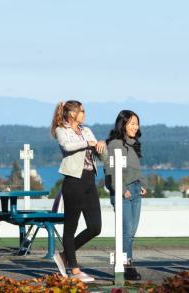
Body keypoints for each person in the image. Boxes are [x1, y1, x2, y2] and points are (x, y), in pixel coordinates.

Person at [50, 100, 107, 283]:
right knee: (70, 227)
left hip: (90, 181)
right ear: (72, 113)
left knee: (95, 227)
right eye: (81, 111)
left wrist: (100, 146)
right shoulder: (62, 130)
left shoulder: (86, 130)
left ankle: (64, 255)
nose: (84, 113)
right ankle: (74, 269)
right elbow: (67, 147)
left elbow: (99, 155)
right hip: (73, 181)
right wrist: (87, 143)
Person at [104, 110, 147, 281]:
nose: (135, 127)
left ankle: (126, 261)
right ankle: (127, 265)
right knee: (126, 232)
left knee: (131, 232)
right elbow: (110, 169)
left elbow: (137, 169)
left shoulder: (134, 143)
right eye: (132, 124)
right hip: (124, 191)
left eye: (137, 123)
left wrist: (143, 184)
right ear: (123, 125)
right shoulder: (115, 144)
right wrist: (121, 189)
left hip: (135, 190)